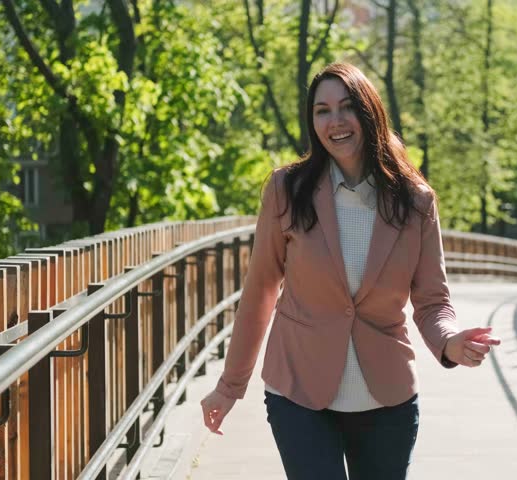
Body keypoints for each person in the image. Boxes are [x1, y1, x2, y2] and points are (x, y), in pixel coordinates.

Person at [200, 62, 500, 480]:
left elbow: (433, 301)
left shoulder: (416, 202)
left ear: (369, 112)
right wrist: (229, 387)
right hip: (298, 392)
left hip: (387, 400)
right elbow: (261, 293)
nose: (335, 121)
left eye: (346, 108)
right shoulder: (286, 190)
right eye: (322, 110)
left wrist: (450, 342)